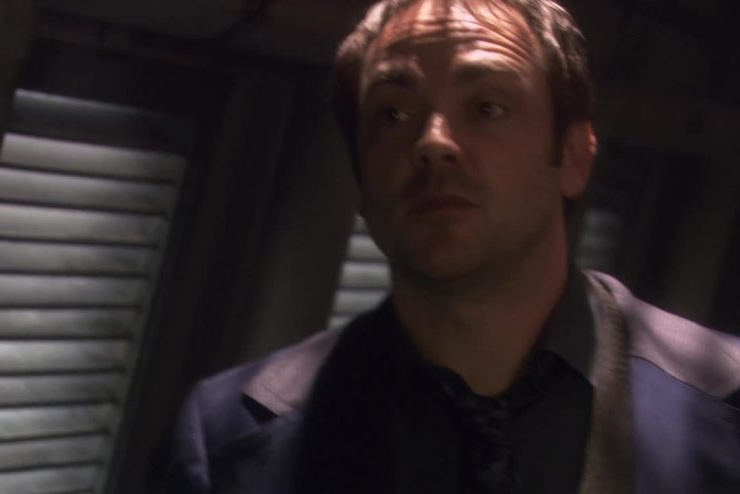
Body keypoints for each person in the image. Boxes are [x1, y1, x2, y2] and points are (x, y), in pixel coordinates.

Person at [168, 0, 740, 492]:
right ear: (363, 181)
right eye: (393, 115)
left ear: (572, 156)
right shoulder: (229, 437)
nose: (432, 142)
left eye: (487, 107)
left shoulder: (725, 406)